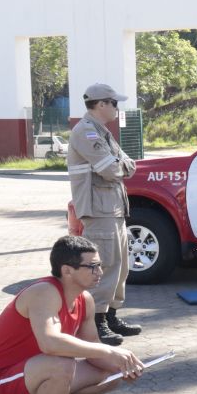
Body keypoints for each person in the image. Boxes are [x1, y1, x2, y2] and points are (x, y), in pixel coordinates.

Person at [0, 236, 145, 394]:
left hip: (27, 376)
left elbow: (94, 352)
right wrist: (108, 351)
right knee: (61, 364)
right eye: (92, 266)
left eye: (99, 265)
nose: (100, 272)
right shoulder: (44, 292)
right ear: (67, 270)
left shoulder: (85, 299)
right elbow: (50, 343)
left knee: (112, 373)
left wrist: (125, 365)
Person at [66, 83, 142, 346]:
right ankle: (96, 323)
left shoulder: (102, 132)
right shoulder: (86, 132)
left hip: (113, 208)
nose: (117, 108)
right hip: (98, 210)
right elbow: (111, 170)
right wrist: (121, 166)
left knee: (120, 266)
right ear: (101, 104)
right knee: (103, 266)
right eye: (114, 103)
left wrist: (121, 165)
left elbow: (129, 165)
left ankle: (110, 316)